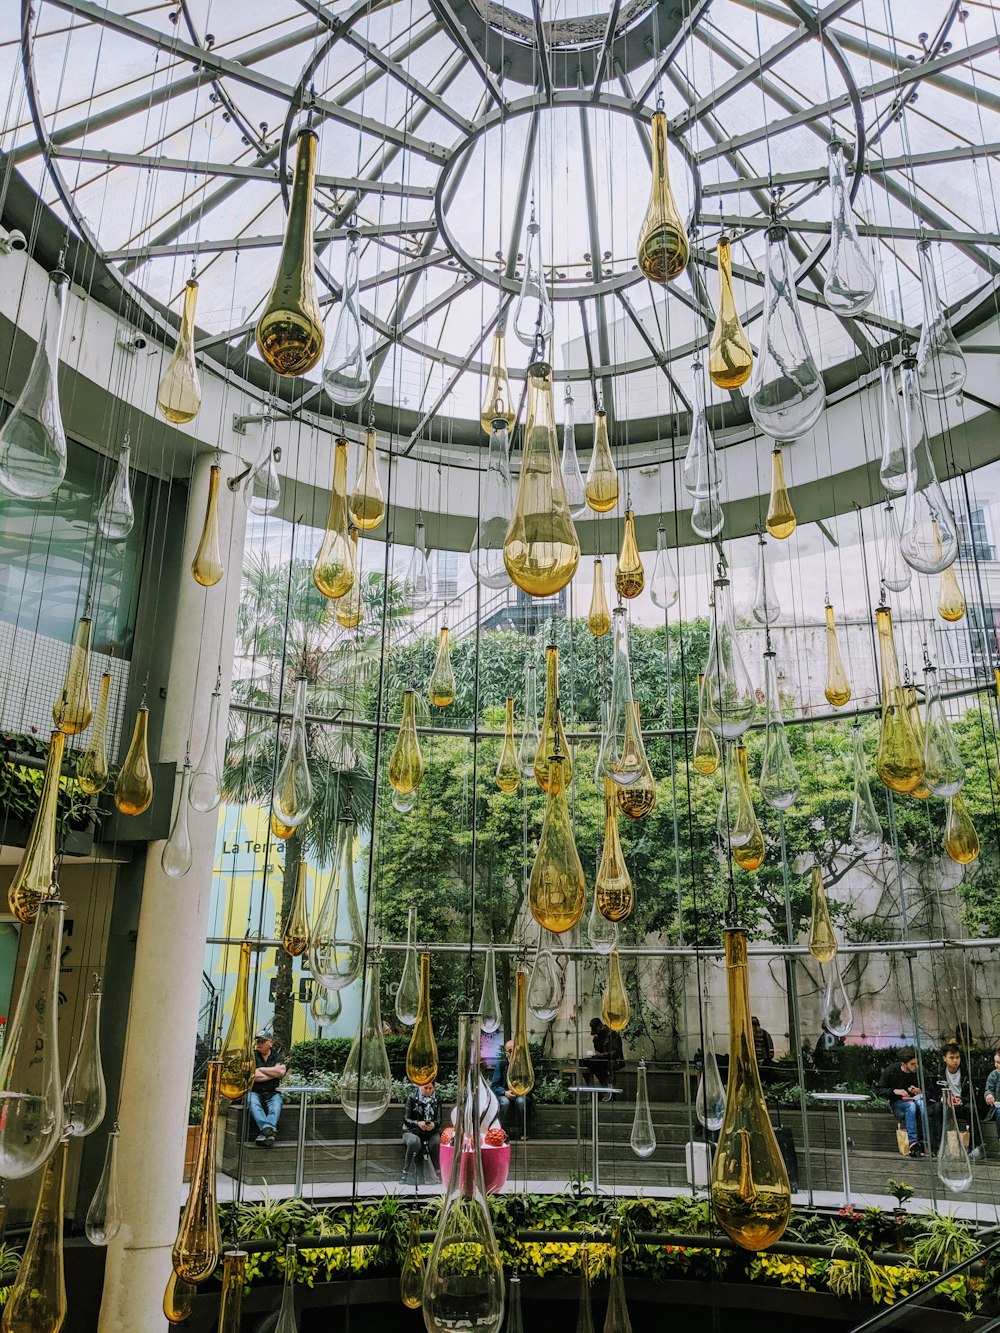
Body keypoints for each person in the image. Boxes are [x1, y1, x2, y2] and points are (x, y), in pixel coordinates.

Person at [878, 1047, 929, 1156]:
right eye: (912, 1064)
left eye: (916, 1063)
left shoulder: (920, 1071)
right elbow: (879, 1090)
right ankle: (913, 1142)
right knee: (910, 1106)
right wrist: (895, 1091)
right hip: (898, 1104)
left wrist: (921, 1092)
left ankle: (926, 1141)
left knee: (921, 1103)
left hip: (916, 1101)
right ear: (904, 1064)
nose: (916, 1066)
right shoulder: (892, 1071)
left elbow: (930, 1090)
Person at [249, 1031, 287, 1147]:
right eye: (257, 1041)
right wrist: (272, 1072)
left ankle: (265, 1131)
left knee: (276, 1106)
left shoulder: (277, 1055)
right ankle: (268, 1130)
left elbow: (281, 1072)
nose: (258, 1044)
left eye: (262, 1041)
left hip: (272, 1092)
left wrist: (261, 1069)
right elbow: (252, 1076)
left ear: (270, 1043)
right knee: (252, 1103)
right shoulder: (252, 1055)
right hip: (254, 1091)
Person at [401, 1078, 442, 1185]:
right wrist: (417, 1123)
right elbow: (406, 1119)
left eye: (430, 1088)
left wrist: (434, 1124)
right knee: (415, 1142)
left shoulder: (437, 1099)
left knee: (436, 1143)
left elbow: (439, 1120)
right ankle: (406, 1174)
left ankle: (438, 1173)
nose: (428, 1091)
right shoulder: (412, 1097)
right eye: (425, 1088)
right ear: (420, 1087)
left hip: (430, 1132)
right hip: (412, 1131)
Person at [935, 1042, 975, 1151]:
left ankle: (972, 1145)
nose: (955, 1061)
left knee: (971, 1109)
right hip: (946, 1104)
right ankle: (940, 1144)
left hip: (961, 1104)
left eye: (957, 1057)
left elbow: (971, 1095)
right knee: (938, 1108)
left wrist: (961, 1100)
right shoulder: (940, 1074)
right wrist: (943, 1098)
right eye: (951, 1058)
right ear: (945, 1059)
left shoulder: (966, 1073)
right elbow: (935, 1092)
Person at [491, 1039, 529, 1137]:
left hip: (520, 1094)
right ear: (506, 1053)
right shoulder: (501, 1065)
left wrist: (521, 1091)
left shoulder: (524, 1065)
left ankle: (524, 1131)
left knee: (521, 1102)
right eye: (511, 1051)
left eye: (516, 1051)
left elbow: (529, 1082)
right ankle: (503, 1132)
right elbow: (494, 1085)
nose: (514, 1054)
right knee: (504, 1102)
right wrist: (505, 1092)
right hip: (505, 1094)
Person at [582, 1018, 624, 1099]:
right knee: (584, 1062)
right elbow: (598, 1050)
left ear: (600, 1026)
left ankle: (605, 1087)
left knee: (595, 1065)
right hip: (602, 1059)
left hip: (612, 1060)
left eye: (596, 1030)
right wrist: (596, 1041)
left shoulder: (612, 1034)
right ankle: (592, 1090)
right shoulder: (598, 1036)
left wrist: (602, 1055)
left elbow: (616, 1052)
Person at [984, 1049, 1000, 1141]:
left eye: (999, 1062)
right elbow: (988, 1089)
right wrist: (989, 1095)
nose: (996, 1065)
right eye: (995, 1062)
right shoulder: (993, 1075)